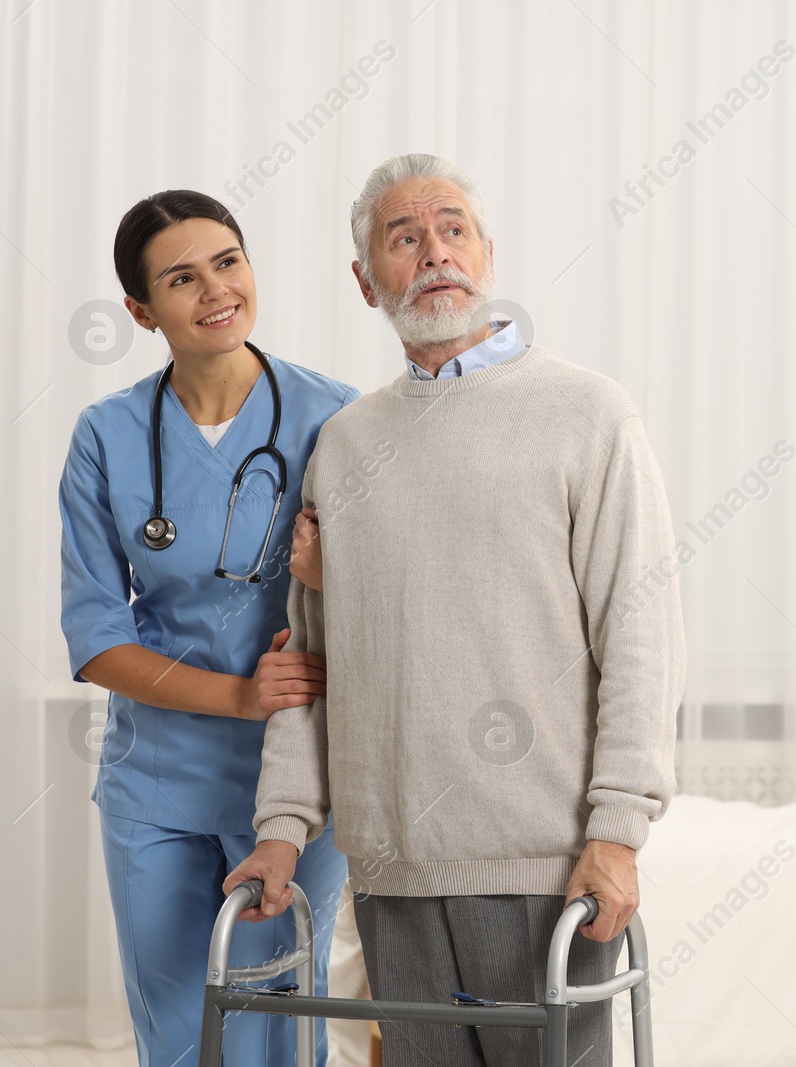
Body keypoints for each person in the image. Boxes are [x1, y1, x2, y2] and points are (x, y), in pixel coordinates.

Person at [223, 152, 686, 1067]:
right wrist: (281, 828)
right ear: (366, 281)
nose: (433, 251)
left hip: (547, 869)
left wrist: (618, 831)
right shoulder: (346, 445)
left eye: (452, 229)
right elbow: (312, 657)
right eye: (403, 237)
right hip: (392, 870)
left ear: (487, 253)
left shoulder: (587, 414)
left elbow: (640, 633)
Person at [58, 190, 354, 1066]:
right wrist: (239, 693)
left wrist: (332, 577)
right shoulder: (106, 436)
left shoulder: (337, 418)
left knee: (283, 1032)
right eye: (181, 278)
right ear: (142, 311)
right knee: (183, 1034)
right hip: (157, 785)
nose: (215, 290)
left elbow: (392, 596)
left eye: (228, 262)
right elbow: (95, 636)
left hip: (295, 788)